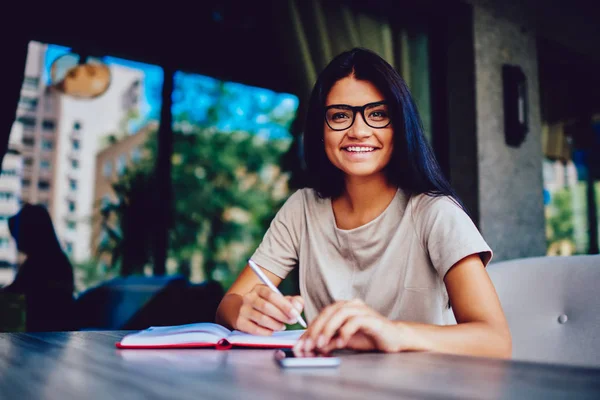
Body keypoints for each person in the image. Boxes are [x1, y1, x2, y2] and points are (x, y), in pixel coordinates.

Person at [215, 48, 511, 358]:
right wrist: (245, 311)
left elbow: (495, 340)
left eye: (378, 114)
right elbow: (229, 304)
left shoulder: (435, 213)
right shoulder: (301, 209)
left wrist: (391, 332)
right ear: (320, 129)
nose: (358, 131)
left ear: (401, 125)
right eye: (340, 115)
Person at [1, 203, 76, 331]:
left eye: (19, 233)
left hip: (47, 335)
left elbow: (14, 292)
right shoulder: (53, 259)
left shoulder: (40, 264)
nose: (16, 239)